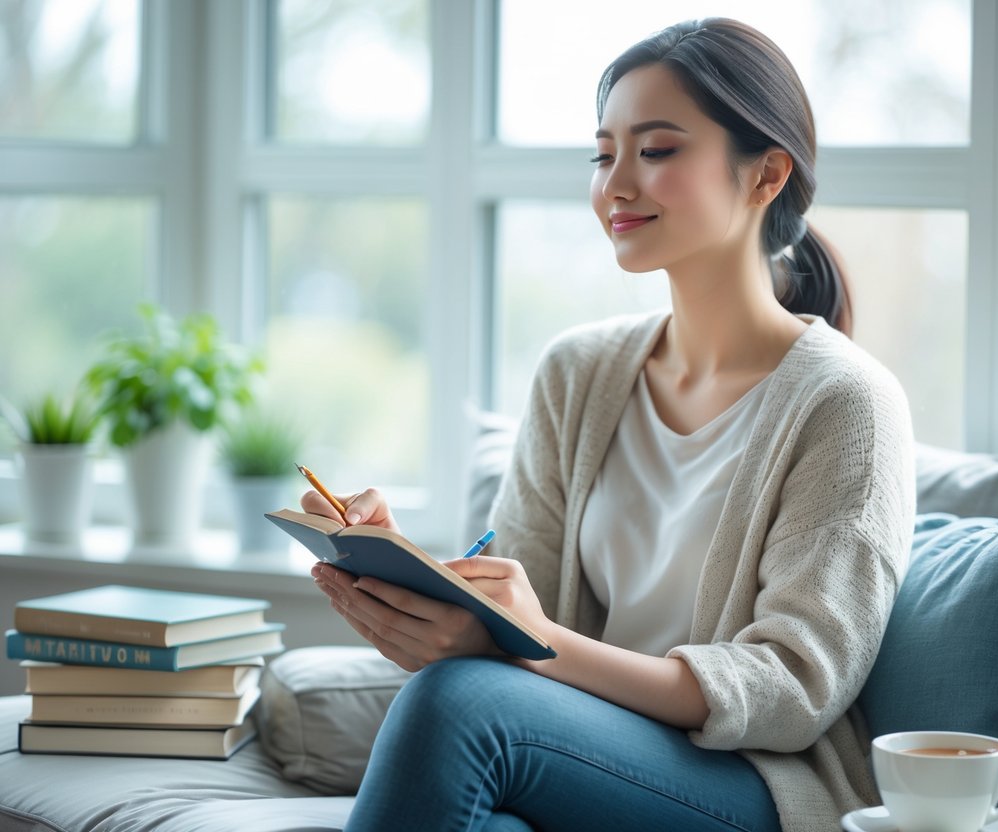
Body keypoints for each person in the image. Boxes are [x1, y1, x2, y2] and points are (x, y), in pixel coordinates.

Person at [306, 17, 915, 831]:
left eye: (656, 151)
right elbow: (524, 599)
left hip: (752, 787)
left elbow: (790, 689)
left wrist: (528, 646)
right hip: (583, 755)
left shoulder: (847, 405)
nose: (615, 185)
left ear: (766, 174)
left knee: (458, 704)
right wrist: (413, 576)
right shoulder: (576, 373)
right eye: (603, 155)